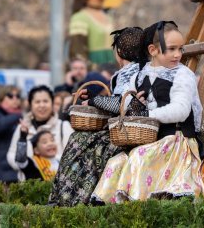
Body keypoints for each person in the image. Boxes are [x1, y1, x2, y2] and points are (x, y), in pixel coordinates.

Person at [91, 21, 203, 203]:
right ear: (153, 50)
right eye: (172, 49)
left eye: (180, 49)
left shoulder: (182, 75)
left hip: (176, 140)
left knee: (138, 157)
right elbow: (124, 102)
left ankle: (138, 208)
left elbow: (181, 110)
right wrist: (135, 106)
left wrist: (148, 115)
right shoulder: (140, 76)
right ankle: (107, 209)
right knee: (115, 162)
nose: (178, 55)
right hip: (152, 140)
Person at [48, 27, 144, 207]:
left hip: (130, 132)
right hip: (121, 128)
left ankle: (72, 200)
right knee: (78, 139)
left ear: (120, 51)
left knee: (83, 144)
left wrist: (94, 100)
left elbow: (123, 104)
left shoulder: (137, 73)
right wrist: (94, 100)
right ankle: (64, 198)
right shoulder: (123, 74)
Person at [7, 85, 74, 181]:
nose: (42, 105)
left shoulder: (63, 126)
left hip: (58, 185)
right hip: (28, 186)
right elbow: (11, 154)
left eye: (45, 101)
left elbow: (73, 155)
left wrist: (51, 162)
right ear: (30, 105)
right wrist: (29, 165)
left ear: (52, 103)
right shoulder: (22, 128)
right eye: (37, 102)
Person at [68, 0, 114, 65]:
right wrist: (98, 71)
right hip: (93, 78)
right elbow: (77, 57)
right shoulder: (80, 18)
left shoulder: (108, 18)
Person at [0, 85, 22, 183]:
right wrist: (17, 116)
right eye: (10, 96)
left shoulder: (21, 116)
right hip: (2, 171)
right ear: (2, 98)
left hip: (18, 169)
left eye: (18, 96)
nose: (15, 99)